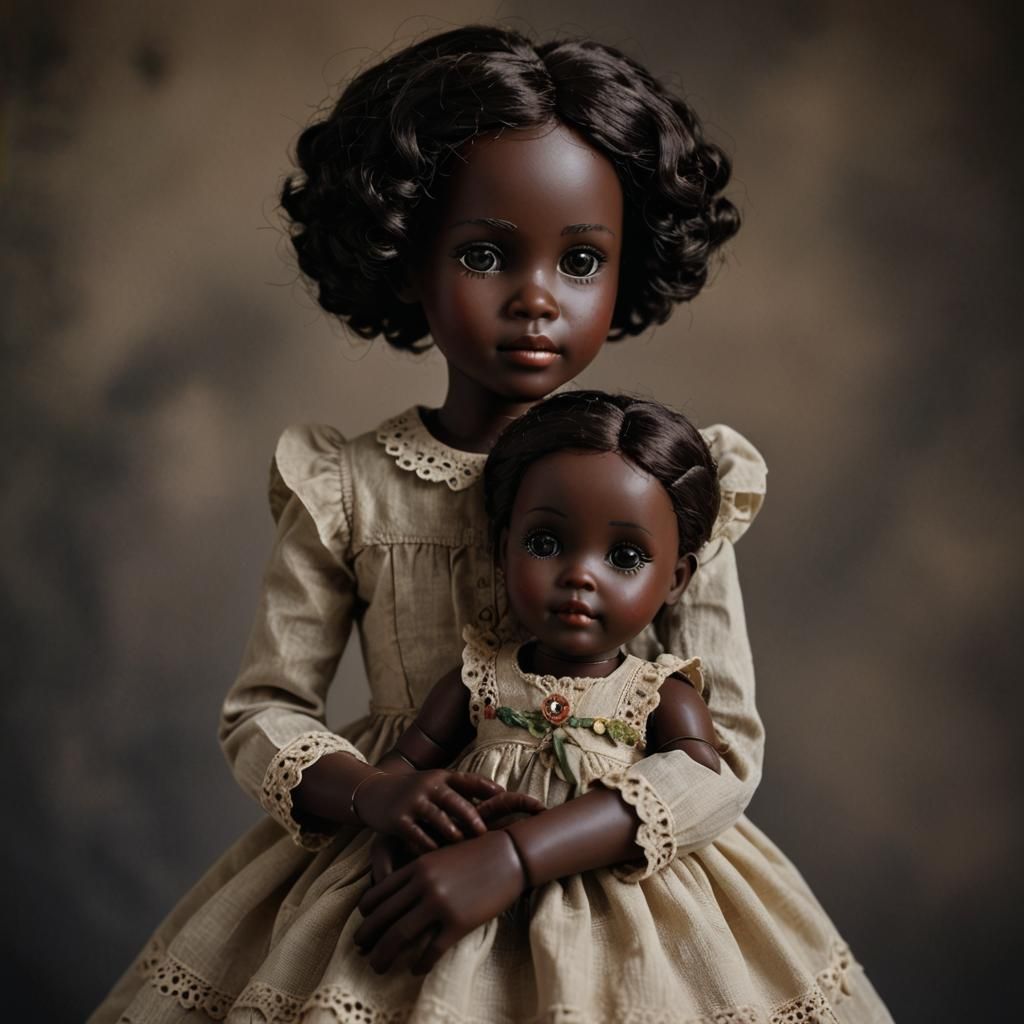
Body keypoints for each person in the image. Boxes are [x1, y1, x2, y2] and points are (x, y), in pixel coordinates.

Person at [85, 24, 839, 1022]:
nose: (536, 300)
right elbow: (263, 709)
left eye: (580, 261)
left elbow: (722, 755)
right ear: (406, 258)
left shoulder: (665, 482)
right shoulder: (350, 487)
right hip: (402, 850)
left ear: (625, 273)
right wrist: (372, 793)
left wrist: (525, 850)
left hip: (623, 868)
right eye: (487, 255)